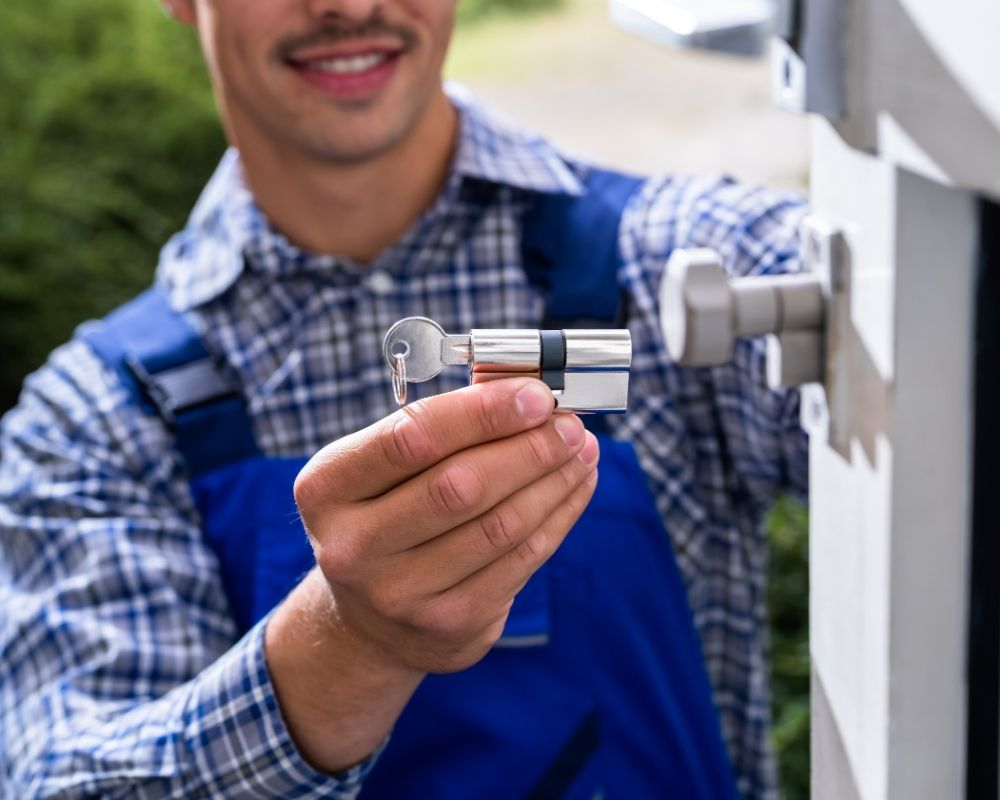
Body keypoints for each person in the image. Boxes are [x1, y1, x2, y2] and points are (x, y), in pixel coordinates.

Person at [0, 0, 808, 797]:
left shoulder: (683, 269)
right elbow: (67, 780)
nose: (346, 6)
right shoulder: (95, 419)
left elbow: (892, 318)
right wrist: (348, 642)